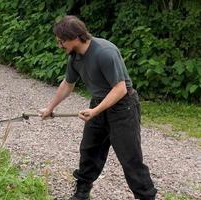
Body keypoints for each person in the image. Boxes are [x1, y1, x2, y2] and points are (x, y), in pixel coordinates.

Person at [38, 16, 157, 200]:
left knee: (130, 158)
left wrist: (95, 111)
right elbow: (67, 85)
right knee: (89, 151)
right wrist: (49, 108)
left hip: (122, 107)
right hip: (99, 105)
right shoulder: (75, 57)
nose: (59, 45)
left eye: (61, 41)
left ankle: (146, 197)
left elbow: (120, 89)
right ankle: (82, 193)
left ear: (75, 37)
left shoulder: (104, 52)